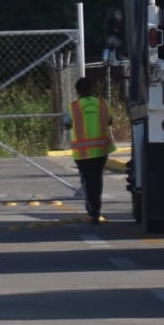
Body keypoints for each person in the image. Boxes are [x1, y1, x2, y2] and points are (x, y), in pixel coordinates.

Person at [65, 76, 116, 223]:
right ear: (93, 89)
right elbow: (110, 120)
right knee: (97, 179)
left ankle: (92, 209)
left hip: (83, 153)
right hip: (101, 150)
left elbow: (67, 124)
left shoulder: (73, 107)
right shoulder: (103, 104)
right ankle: (96, 208)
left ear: (78, 91)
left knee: (87, 180)